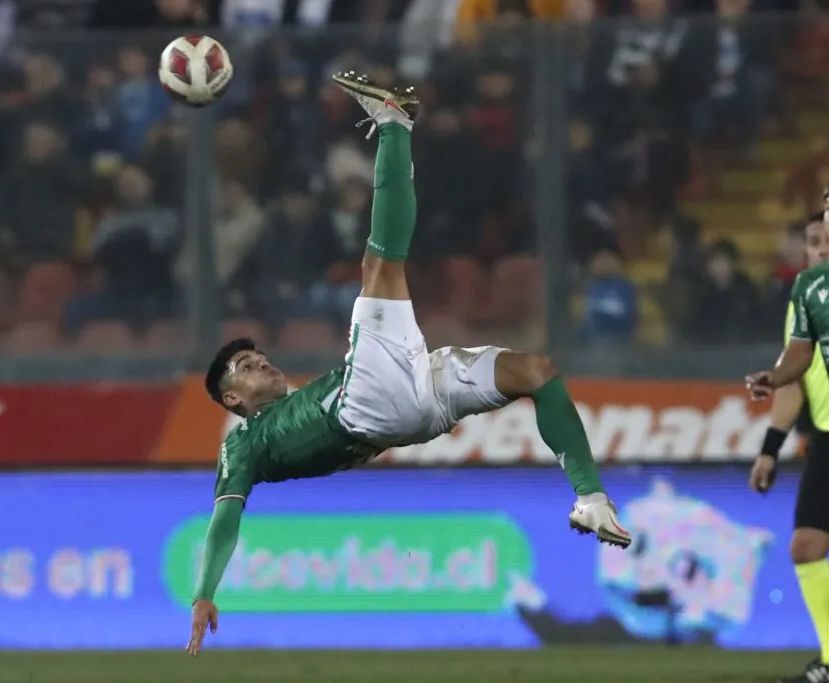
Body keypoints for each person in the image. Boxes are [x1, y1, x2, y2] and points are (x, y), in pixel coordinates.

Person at [186, 72, 632, 656]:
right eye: (243, 366)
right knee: (380, 268)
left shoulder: (299, 397)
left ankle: (590, 499)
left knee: (536, 373)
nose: (259, 361)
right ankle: (394, 124)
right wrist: (204, 590)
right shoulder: (241, 445)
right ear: (232, 401)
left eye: (255, 354)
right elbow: (224, 520)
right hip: (363, 406)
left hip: (410, 404)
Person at [748, 207, 829, 683]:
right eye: (813, 241)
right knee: (806, 545)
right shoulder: (807, 297)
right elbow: (793, 379)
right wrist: (769, 447)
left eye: (825, 239)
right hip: (825, 438)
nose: (820, 249)